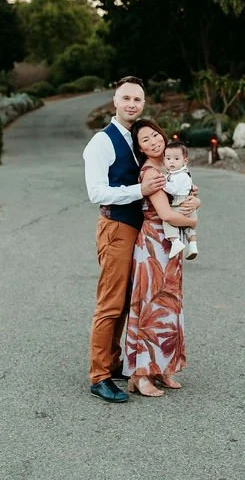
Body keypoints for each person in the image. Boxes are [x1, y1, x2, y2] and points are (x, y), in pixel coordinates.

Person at [83, 76, 166, 403]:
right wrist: (138, 190)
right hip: (116, 227)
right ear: (114, 101)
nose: (133, 104)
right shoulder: (101, 142)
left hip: (139, 230)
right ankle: (99, 375)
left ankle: (114, 361)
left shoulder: (137, 140)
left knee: (128, 301)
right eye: (127, 98)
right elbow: (96, 192)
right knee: (111, 302)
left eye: (138, 100)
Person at [123, 119, 199, 397]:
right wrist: (193, 223)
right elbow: (166, 214)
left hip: (171, 244)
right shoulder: (150, 173)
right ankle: (141, 374)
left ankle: (164, 367)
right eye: (146, 140)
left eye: (156, 135)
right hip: (154, 244)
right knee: (150, 304)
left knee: (170, 304)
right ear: (140, 148)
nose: (154, 141)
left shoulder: (171, 165)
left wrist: (196, 202)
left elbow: (187, 192)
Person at [161, 141, 199, 260]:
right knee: (187, 227)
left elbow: (173, 189)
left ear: (185, 161)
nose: (171, 162)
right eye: (168, 158)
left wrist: (162, 183)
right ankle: (192, 245)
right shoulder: (181, 173)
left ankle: (175, 241)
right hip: (187, 202)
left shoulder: (179, 175)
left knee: (168, 222)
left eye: (176, 158)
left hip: (179, 203)